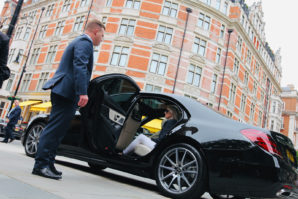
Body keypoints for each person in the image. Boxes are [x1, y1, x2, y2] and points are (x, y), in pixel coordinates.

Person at [32, 19, 105, 180]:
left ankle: (48, 163)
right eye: (102, 35)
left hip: (65, 90)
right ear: (95, 31)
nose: (102, 38)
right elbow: (79, 65)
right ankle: (41, 165)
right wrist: (82, 92)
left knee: (58, 131)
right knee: (54, 129)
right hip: (66, 91)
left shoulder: (81, 41)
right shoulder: (85, 42)